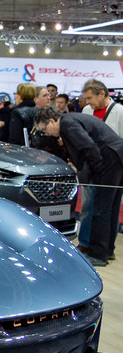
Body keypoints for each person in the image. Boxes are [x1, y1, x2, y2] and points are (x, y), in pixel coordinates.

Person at [36, 107, 123, 267]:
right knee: (110, 208)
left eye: (45, 129)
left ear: (52, 121)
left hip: (108, 158)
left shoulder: (67, 124)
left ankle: (98, 255)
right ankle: (107, 250)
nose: (46, 133)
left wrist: (96, 172)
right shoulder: (71, 120)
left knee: (101, 209)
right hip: (116, 155)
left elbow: (89, 147)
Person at [75, 79, 123, 256]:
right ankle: (85, 242)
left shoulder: (120, 112)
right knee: (87, 207)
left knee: (108, 209)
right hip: (91, 166)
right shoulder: (87, 111)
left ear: (102, 94)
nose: (87, 102)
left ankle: (107, 247)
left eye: (90, 98)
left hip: (112, 169)